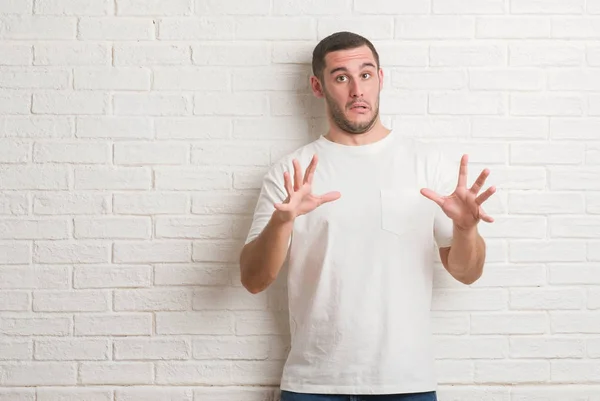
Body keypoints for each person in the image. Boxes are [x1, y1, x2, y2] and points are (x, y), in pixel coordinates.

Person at [239, 31, 496, 401]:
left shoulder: (428, 164)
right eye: (341, 77)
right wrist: (283, 222)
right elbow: (253, 279)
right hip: (314, 384)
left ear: (381, 78)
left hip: (406, 382)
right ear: (317, 86)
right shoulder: (291, 173)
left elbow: (467, 273)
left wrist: (466, 229)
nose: (357, 90)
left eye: (366, 74)